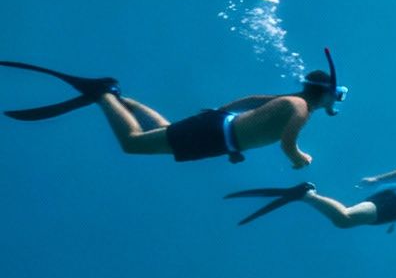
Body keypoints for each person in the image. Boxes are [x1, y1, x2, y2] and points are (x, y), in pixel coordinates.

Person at [0, 52, 345, 167]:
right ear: (326, 94)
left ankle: (122, 100)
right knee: (133, 143)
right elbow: (287, 144)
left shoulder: (290, 99)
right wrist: (301, 159)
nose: (337, 102)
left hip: (218, 132)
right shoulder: (300, 109)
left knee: (163, 131)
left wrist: (223, 118)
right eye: (337, 96)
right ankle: (104, 95)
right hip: (215, 133)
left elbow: (252, 101)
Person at [227, 126, 396, 235]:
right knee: (344, 219)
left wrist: (377, 179)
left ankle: (306, 196)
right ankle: (306, 194)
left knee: (346, 218)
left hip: (395, 194)